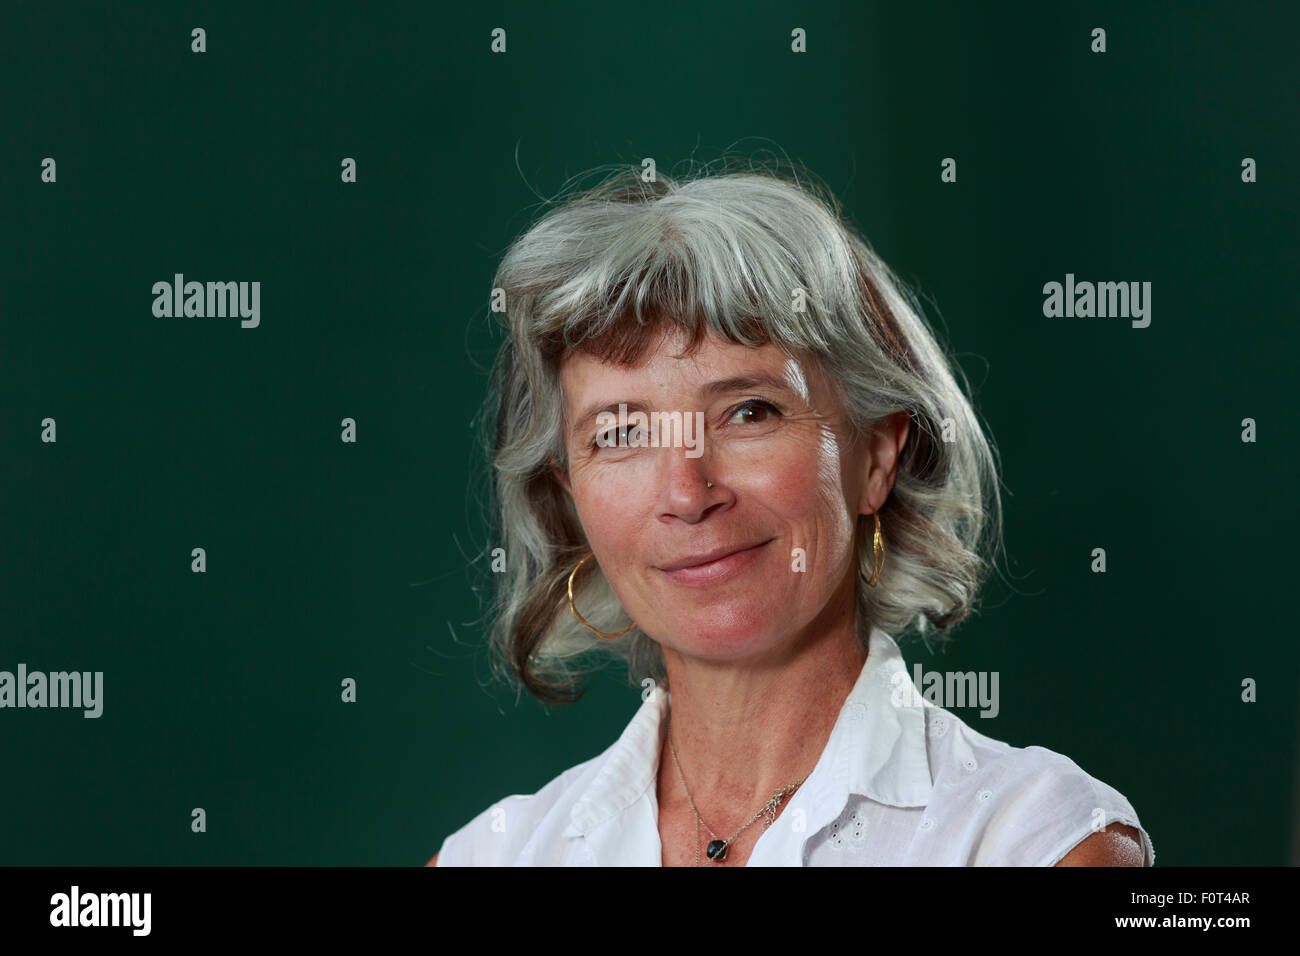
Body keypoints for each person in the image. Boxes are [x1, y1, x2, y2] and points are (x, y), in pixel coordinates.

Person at [427, 163, 1153, 866]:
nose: (686, 492)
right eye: (622, 432)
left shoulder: (1039, 842)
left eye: (749, 411)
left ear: (875, 459)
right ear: (570, 494)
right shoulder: (491, 856)